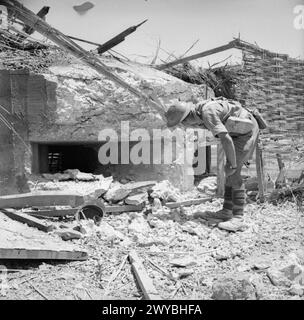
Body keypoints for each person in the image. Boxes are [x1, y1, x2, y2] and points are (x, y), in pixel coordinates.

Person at [165, 97, 259, 232]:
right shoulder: (200, 112)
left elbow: (225, 139)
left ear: (188, 117)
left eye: (183, 123)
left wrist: (232, 164)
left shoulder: (207, 114)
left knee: (234, 172)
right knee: (229, 172)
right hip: (236, 131)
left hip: (246, 132)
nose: (186, 126)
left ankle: (238, 218)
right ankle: (227, 212)